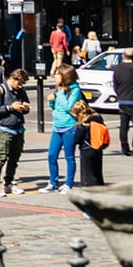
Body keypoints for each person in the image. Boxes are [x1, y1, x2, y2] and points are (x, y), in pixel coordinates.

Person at [0, 67, 32, 197]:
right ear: (12, 79)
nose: (20, 86)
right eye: (19, 83)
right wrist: (10, 107)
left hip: (18, 128)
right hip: (4, 129)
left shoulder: (21, 90)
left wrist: (25, 107)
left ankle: (9, 182)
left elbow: (25, 106)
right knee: (1, 158)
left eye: (22, 84)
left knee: (14, 158)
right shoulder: (0, 90)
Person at [41, 63, 87, 192]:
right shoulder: (59, 88)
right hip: (57, 126)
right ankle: (52, 182)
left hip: (69, 127)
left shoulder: (74, 89)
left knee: (69, 157)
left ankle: (68, 183)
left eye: (57, 74)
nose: (55, 76)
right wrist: (51, 101)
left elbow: (68, 107)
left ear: (65, 76)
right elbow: (56, 107)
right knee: (51, 155)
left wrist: (59, 94)